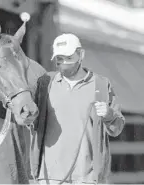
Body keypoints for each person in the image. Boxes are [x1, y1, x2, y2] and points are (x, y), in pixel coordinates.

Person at [29, 33, 125, 184]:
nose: (64, 63)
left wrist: (108, 114)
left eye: (69, 57)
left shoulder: (101, 85)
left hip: (87, 177)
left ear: (81, 55)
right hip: (49, 176)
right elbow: (29, 119)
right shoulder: (45, 83)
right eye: (60, 59)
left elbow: (117, 128)